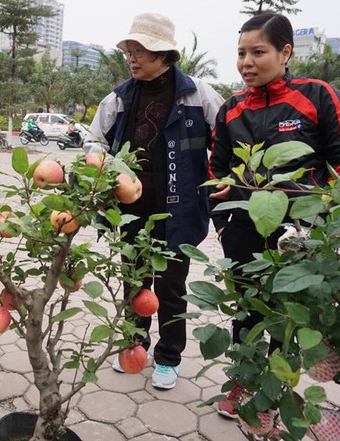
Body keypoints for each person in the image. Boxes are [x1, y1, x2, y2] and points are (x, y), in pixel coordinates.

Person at [208, 11, 340, 418]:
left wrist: (321, 217)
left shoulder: (318, 95)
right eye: (241, 53)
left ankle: (275, 395)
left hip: (300, 233)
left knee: (291, 315)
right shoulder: (232, 109)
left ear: (285, 52)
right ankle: (242, 381)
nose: (246, 63)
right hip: (244, 231)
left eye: (258, 52)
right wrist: (223, 222)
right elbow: (216, 170)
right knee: (246, 309)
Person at [84, 12, 224, 390]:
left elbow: (225, 139)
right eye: (129, 51)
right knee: (134, 281)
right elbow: (93, 140)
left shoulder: (198, 94)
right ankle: (134, 346)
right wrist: (100, 164)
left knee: (170, 287)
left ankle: (169, 357)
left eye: (140, 51)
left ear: (164, 54)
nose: (132, 58)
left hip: (179, 210)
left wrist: (222, 179)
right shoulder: (120, 97)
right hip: (132, 209)